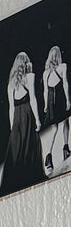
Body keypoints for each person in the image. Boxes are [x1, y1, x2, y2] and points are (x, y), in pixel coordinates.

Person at [0, 50, 44, 196]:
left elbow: (11, 107)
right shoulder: (30, 77)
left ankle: (19, 180)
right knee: (31, 144)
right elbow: (33, 99)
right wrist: (38, 119)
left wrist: (12, 126)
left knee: (18, 149)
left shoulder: (10, 84)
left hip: (17, 118)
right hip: (27, 114)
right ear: (26, 63)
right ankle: (31, 176)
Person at [41, 44, 69, 176]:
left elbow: (45, 91)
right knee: (65, 122)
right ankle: (66, 148)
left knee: (54, 128)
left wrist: (46, 105)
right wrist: (68, 99)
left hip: (51, 100)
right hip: (60, 97)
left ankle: (48, 156)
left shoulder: (45, 73)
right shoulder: (63, 66)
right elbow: (65, 84)